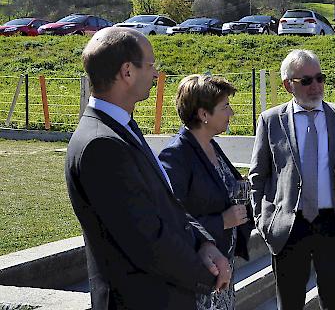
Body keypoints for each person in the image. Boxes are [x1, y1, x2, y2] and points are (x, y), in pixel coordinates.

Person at [65, 27, 230, 309]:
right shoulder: (101, 145)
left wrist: (205, 243)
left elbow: (167, 203)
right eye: (151, 65)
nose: (156, 74)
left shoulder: (120, 127)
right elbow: (147, 239)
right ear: (127, 72)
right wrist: (208, 274)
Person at [249, 49, 335, 310]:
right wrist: (264, 220)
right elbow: (258, 175)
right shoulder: (271, 120)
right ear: (288, 85)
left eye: (319, 78)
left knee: (334, 301)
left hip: (334, 225)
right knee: (290, 302)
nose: (315, 86)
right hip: (289, 226)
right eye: (306, 81)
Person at [159, 75, 254, 310]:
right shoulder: (176, 156)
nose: (231, 113)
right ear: (203, 114)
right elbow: (172, 217)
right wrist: (221, 221)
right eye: (225, 107)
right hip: (200, 276)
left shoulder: (212, 145)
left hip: (222, 269)